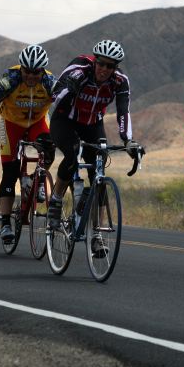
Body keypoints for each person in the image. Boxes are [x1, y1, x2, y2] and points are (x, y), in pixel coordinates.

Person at [46, 39, 140, 255]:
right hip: (64, 120)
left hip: (92, 123)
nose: (105, 70)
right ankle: (57, 200)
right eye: (102, 64)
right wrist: (69, 90)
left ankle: (96, 234)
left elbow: (123, 110)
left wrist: (128, 141)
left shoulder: (120, 81)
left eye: (111, 66)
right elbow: (54, 96)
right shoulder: (78, 69)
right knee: (71, 155)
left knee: (98, 174)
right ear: (94, 61)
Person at [0, 44, 55, 243]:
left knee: (49, 148)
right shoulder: (11, 79)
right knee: (10, 172)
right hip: (11, 124)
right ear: (21, 68)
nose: (30, 76)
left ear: (42, 71)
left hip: (37, 122)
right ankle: (5, 223)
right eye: (26, 71)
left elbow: (65, 105)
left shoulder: (49, 81)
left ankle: (35, 180)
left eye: (35, 72)